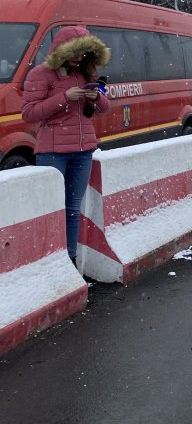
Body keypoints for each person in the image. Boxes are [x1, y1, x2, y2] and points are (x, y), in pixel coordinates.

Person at [21, 25, 112, 263]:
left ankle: (69, 259)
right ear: (61, 50)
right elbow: (29, 114)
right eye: (74, 53)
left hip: (82, 152)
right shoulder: (40, 74)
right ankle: (49, 260)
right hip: (52, 153)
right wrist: (64, 98)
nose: (78, 58)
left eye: (83, 54)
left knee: (72, 209)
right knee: (51, 209)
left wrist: (96, 97)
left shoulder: (86, 73)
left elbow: (104, 108)